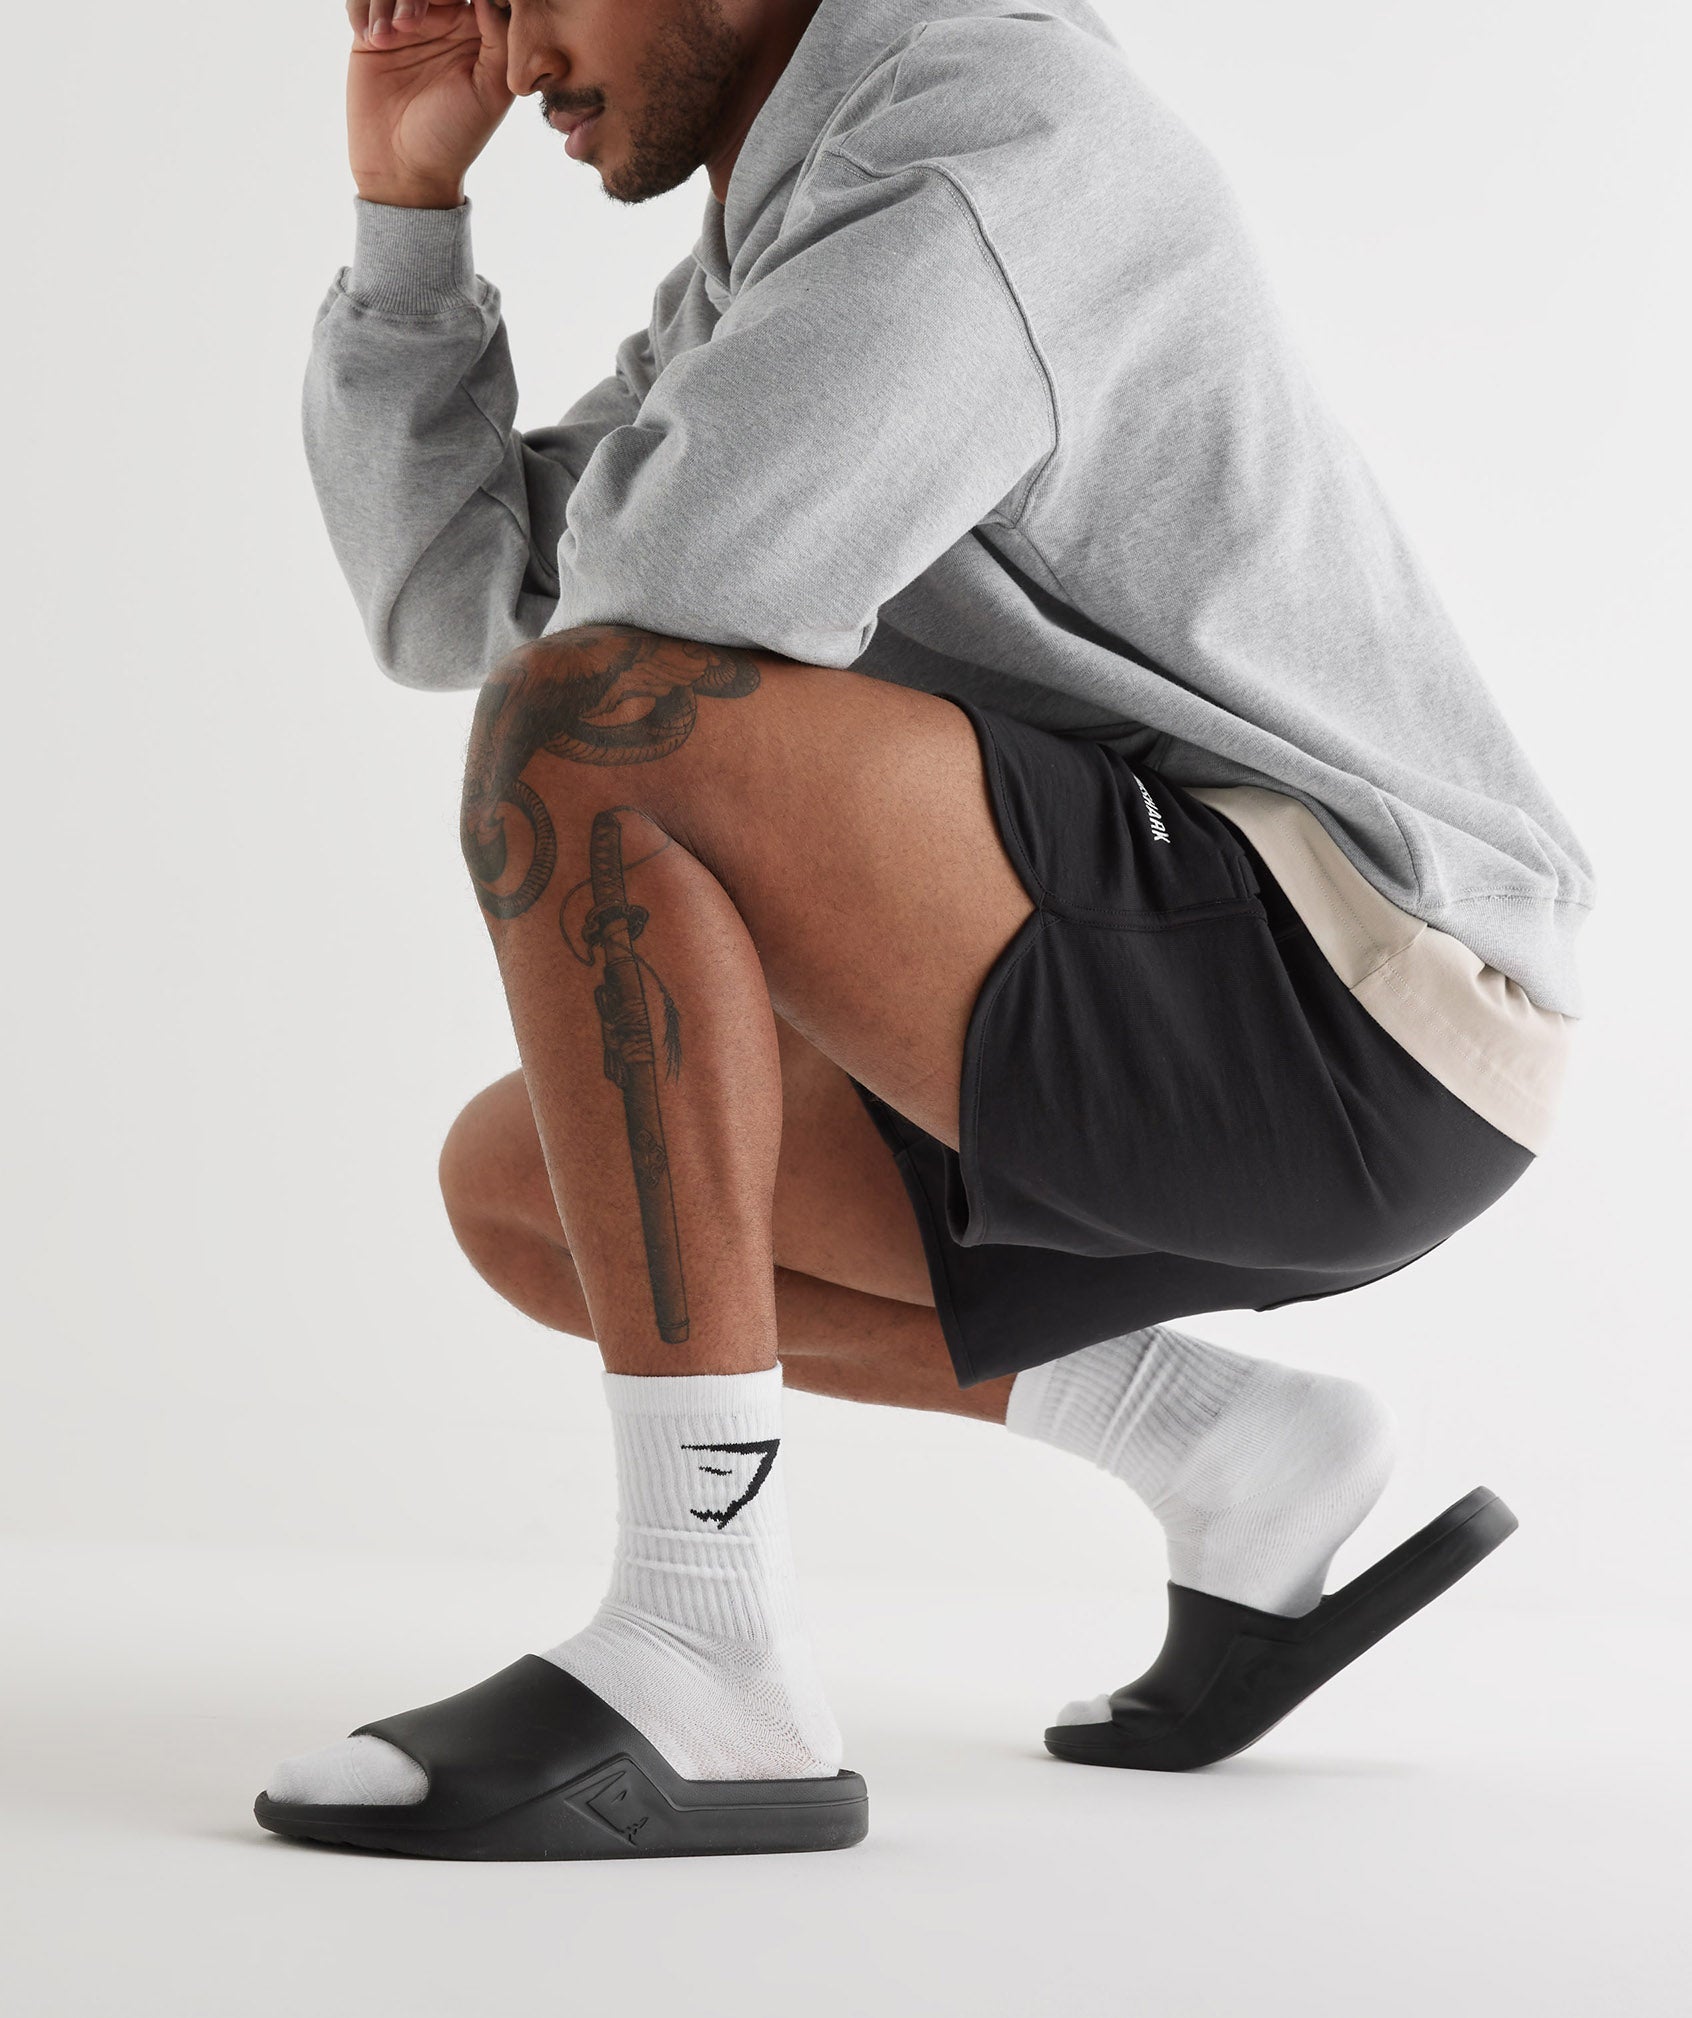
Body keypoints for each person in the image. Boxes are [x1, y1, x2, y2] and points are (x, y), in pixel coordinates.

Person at [256, 0, 1591, 1860]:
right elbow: (451, 602)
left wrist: (627, 551)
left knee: (603, 733)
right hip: (1201, 988)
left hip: (1357, 996)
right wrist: (407, 216)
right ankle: (1222, 1445)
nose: (504, 48)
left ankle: (705, 1649)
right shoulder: (795, 208)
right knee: (535, 1189)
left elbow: (649, 620)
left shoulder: (980, 144)